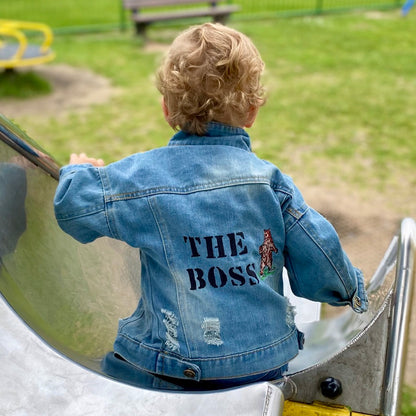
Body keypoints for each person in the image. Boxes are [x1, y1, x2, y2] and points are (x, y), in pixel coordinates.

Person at [54, 23, 368, 390]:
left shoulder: (143, 178)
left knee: (120, 361)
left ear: (167, 110)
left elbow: (73, 207)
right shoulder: (269, 181)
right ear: (251, 112)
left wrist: (79, 169)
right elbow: (321, 256)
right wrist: (351, 289)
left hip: (174, 366)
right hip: (262, 363)